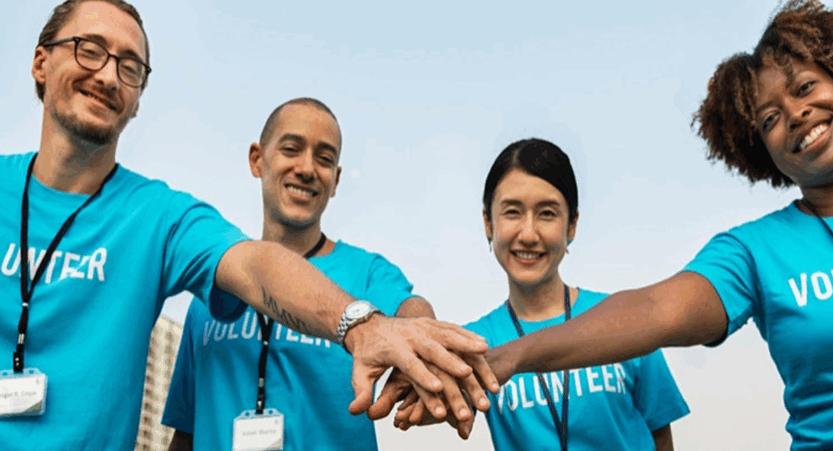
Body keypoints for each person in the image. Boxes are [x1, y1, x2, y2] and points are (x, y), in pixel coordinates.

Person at [0, 1, 496, 449]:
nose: (109, 76)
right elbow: (185, 432)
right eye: (90, 50)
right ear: (41, 62)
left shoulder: (166, 220)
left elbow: (263, 269)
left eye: (129, 68)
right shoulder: (204, 309)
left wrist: (369, 326)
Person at [451, 1, 833, 450]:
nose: (796, 114)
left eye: (805, 88)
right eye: (770, 119)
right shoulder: (753, 253)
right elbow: (654, 311)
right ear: (763, 150)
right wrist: (515, 353)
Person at [161, 98, 492, 450]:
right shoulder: (214, 290)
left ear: (335, 180)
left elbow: (410, 309)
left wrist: (423, 336)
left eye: (324, 158)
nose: (306, 168)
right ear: (257, 159)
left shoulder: (366, 272)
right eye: (291, 149)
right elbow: (186, 431)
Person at [379, 139, 690, 450]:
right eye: (512, 212)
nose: (528, 234)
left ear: (572, 225)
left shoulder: (626, 321)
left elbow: (660, 436)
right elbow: (446, 399)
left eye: (547, 214)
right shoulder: (474, 344)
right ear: (489, 222)